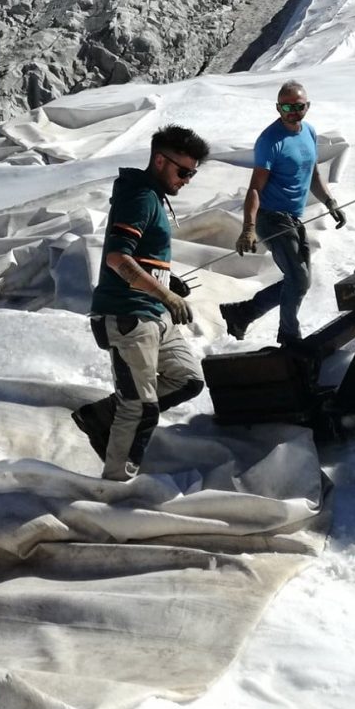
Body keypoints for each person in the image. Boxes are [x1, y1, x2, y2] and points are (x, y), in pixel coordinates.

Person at [72, 124, 210, 481]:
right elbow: (118, 258)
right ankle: (117, 484)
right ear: (160, 161)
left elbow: (141, 257)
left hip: (153, 313)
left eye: (192, 174)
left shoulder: (152, 196)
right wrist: (164, 293)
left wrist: (166, 281)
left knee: (188, 379)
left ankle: (101, 418)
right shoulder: (140, 196)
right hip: (129, 314)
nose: (187, 179)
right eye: (183, 171)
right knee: (140, 406)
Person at [220, 82, 346, 346]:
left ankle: (242, 313)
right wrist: (249, 228)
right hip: (271, 217)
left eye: (298, 106)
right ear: (278, 108)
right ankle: (289, 336)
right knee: (299, 280)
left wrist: (330, 202)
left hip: (293, 218)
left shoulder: (309, 132)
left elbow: (313, 174)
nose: (292, 112)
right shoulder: (269, 141)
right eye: (287, 107)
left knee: (299, 281)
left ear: (307, 107)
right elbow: (255, 188)